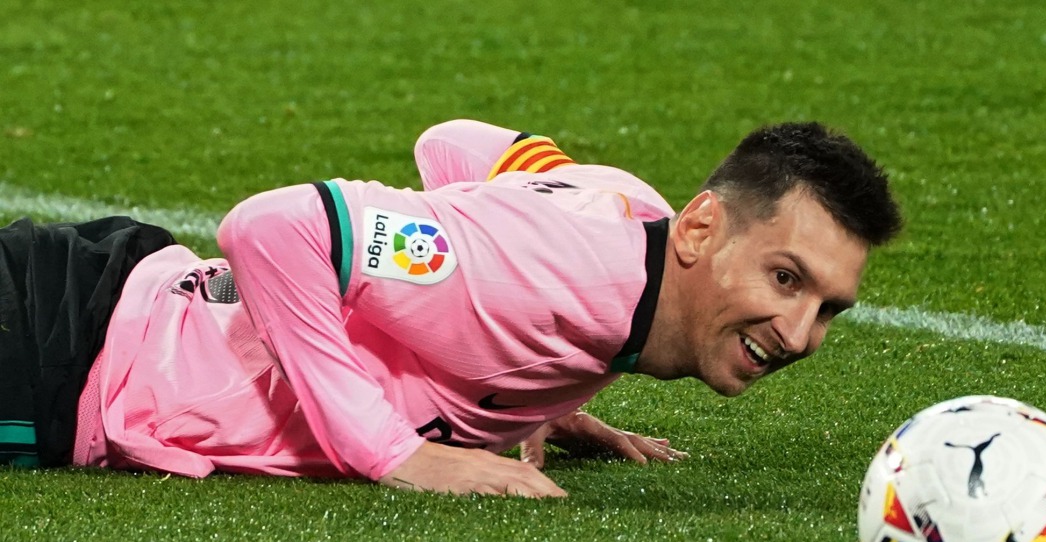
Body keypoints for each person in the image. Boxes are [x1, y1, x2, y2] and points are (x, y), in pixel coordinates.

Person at [0, 119, 902, 497]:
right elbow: (273, 230)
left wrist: (523, 393)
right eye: (786, 280)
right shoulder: (540, 280)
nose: (798, 335)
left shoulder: (631, 209)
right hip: (61, 357)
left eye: (829, 308)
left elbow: (457, 148)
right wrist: (395, 454)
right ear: (703, 229)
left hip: (116, 294)